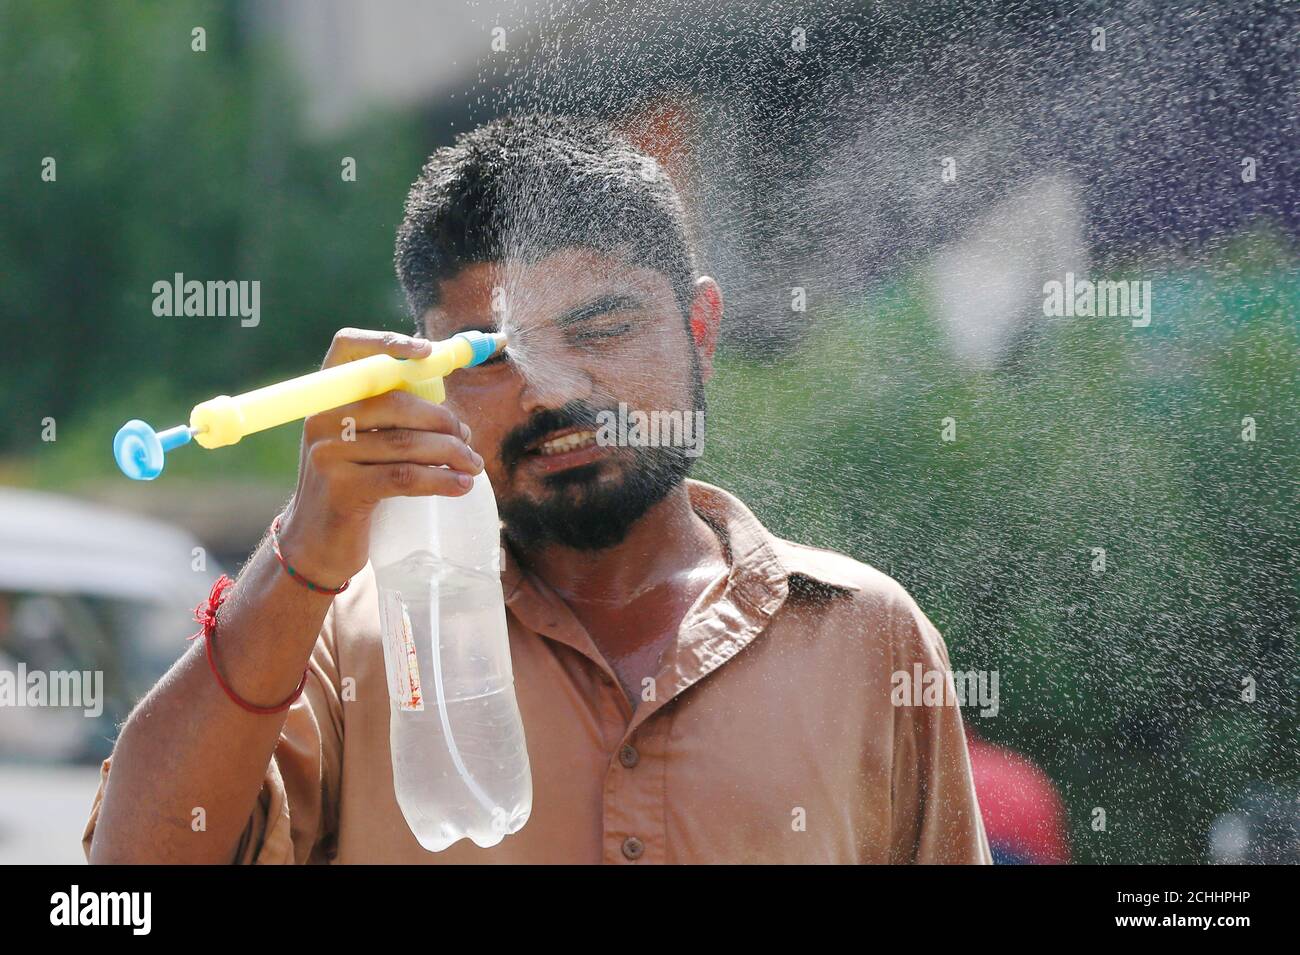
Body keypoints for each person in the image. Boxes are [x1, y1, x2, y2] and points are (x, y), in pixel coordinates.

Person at [84, 115, 991, 864]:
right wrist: (302, 552)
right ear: (417, 375)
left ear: (701, 329)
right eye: (489, 353)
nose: (553, 389)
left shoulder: (867, 634)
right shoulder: (349, 639)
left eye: (601, 326)